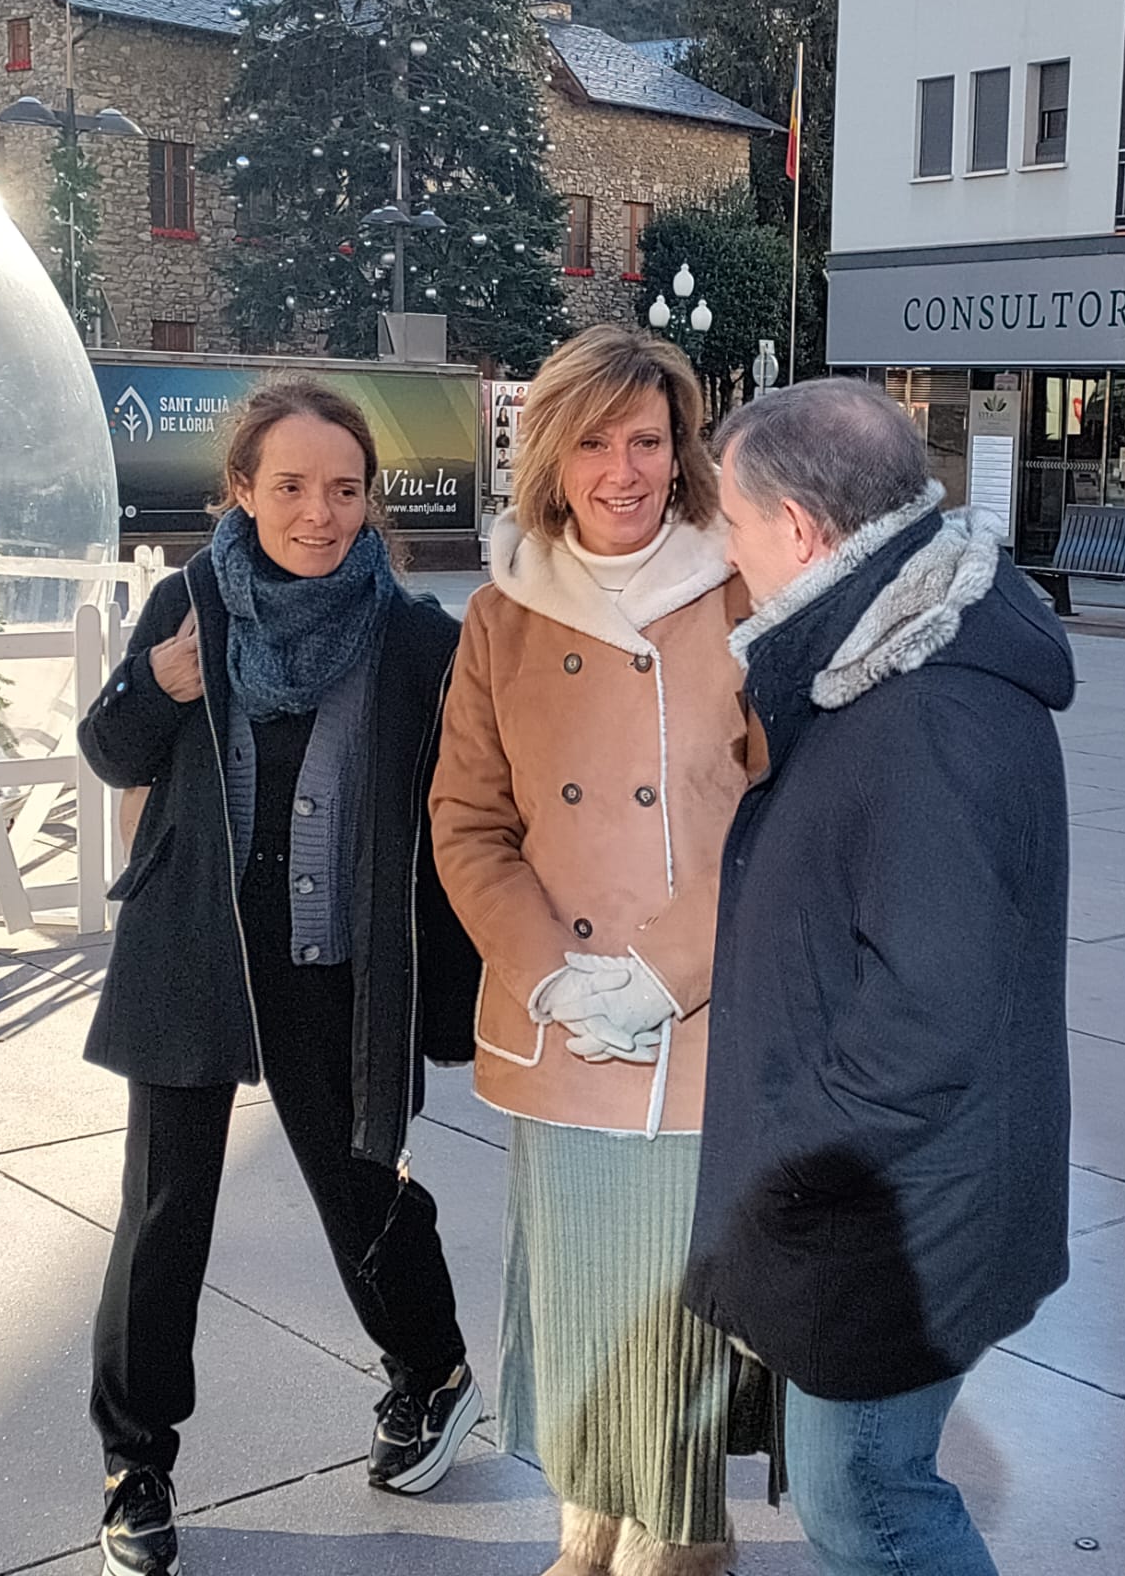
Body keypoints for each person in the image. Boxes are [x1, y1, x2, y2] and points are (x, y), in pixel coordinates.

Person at [78, 381, 483, 1576]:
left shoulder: (415, 640)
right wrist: (162, 683)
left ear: (371, 501)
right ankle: (135, 1460)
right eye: (292, 487)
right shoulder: (189, 604)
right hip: (194, 948)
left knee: (362, 1188)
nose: (319, 513)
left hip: (335, 959)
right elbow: (109, 750)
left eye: (345, 489)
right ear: (243, 492)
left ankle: (431, 1368)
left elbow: (464, 807)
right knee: (165, 1213)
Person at [685, 379, 1077, 1576]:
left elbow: (933, 1008)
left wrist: (790, 1156)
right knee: (863, 1482)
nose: (727, 559)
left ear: (800, 529)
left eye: (734, 528)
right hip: (898, 1189)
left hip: (892, 1202)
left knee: (868, 1494)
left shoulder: (920, 711)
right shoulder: (885, 663)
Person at [430, 326, 752, 1576]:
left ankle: (679, 1537)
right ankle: (589, 1523)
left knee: (668, 1308)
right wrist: (553, 974)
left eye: (649, 440)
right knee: (575, 1293)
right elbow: (468, 823)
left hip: (703, 1014)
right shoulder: (500, 617)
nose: (625, 470)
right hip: (559, 1019)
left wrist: (666, 972)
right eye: (596, 443)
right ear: (551, 459)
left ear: (682, 452)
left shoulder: (741, 589)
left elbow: (781, 816)